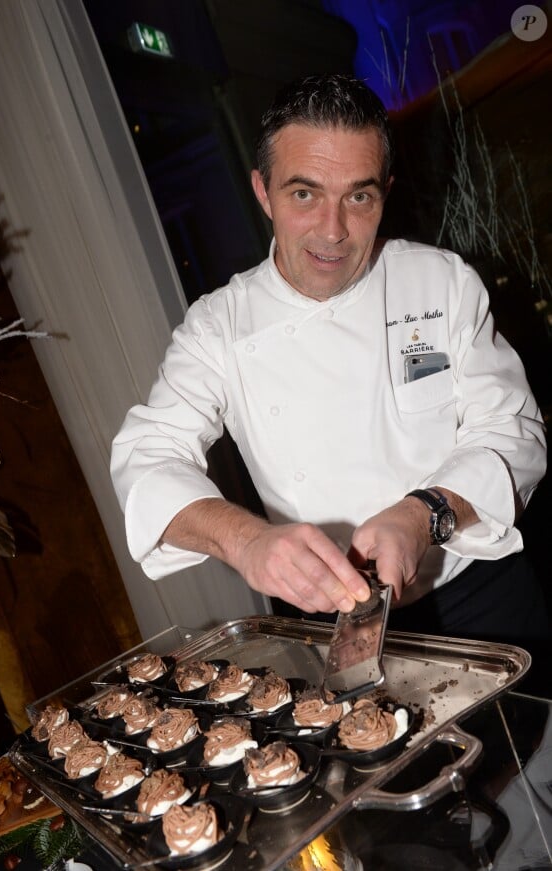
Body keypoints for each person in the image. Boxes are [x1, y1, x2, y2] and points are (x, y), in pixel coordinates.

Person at [111, 74, 548, 652]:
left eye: (359, 196)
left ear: (384, 193)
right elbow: (146, 461)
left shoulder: (440, 282)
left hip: (479, 598)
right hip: (335, 626)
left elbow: (515, 435)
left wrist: (423, 515)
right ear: (263, 192)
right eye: (304, 194)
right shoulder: (218, 326)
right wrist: (247, 542)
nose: (333, 230)